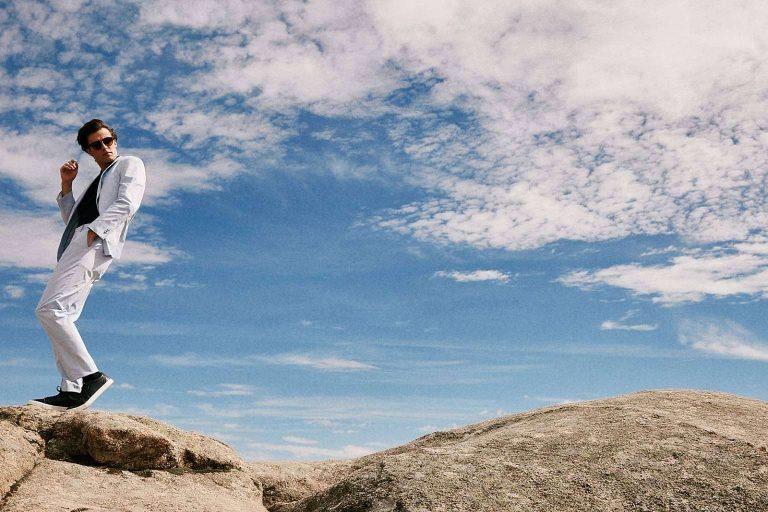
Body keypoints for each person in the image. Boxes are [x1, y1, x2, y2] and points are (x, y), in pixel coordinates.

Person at [29, 119, 146, 411]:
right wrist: (66, 186)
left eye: (108, 140)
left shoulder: (129, 164)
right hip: (81, 240)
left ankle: (91, 377)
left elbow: (128, 203)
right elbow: (72, 221)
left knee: (49, 310)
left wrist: (95, 232)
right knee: (63, 314)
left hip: (93, 241)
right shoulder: (97, 181)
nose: (105, 147)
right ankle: (72, 388)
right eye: (97, 144)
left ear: (114, 140)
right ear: (88, 151)